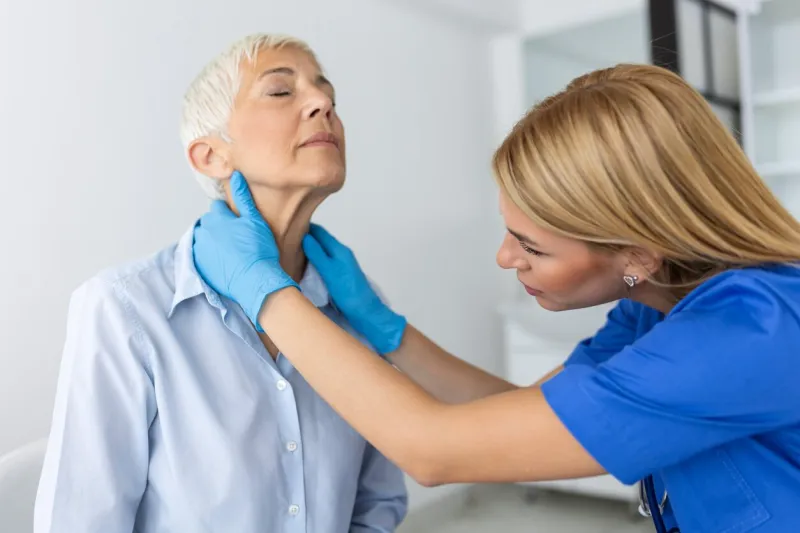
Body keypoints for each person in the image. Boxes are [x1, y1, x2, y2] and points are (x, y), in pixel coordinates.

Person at [192, 63, 800, 533]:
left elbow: (434, 452)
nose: (506, 259)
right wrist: (385, 329)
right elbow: (526, 411)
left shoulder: (752, 334)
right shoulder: (657, 304)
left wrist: (267, 292)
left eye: (531, 246)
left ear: (638, 256)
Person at [34, 33, 407, 533]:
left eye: (329, 96)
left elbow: (379, 499)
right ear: (211, 156)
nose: (323, 104)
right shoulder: (124, 309)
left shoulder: (360, 306)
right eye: (280, 92)